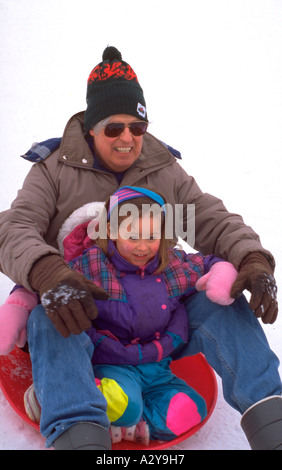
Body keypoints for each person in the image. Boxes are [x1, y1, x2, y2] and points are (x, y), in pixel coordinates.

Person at [0, 45, 281, 450]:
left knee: (224, 304)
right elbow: (16, 227)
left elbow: (207, 219)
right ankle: (78, 428)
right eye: (114, 128)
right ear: (92, 128)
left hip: (153, 315)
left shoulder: (159, 169)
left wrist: (251, 258)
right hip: (82, 304)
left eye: (137, 127)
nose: (127, 138)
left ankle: (271, 420)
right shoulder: (56, 169)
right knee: (53, 314)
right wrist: (48, 273)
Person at [1, 185, 240, 445]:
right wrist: (19, 305)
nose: (142, 247)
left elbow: (206, 263)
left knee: (190, 410)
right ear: (112, 231)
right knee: (125, 405)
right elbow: (51, 282)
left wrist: (221, 271)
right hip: (111, 364)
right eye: (133, 236)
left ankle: (134, 423)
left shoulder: (170, 265)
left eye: (151, 237)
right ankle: (59, 390)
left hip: (158, 367)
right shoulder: (92, 264)